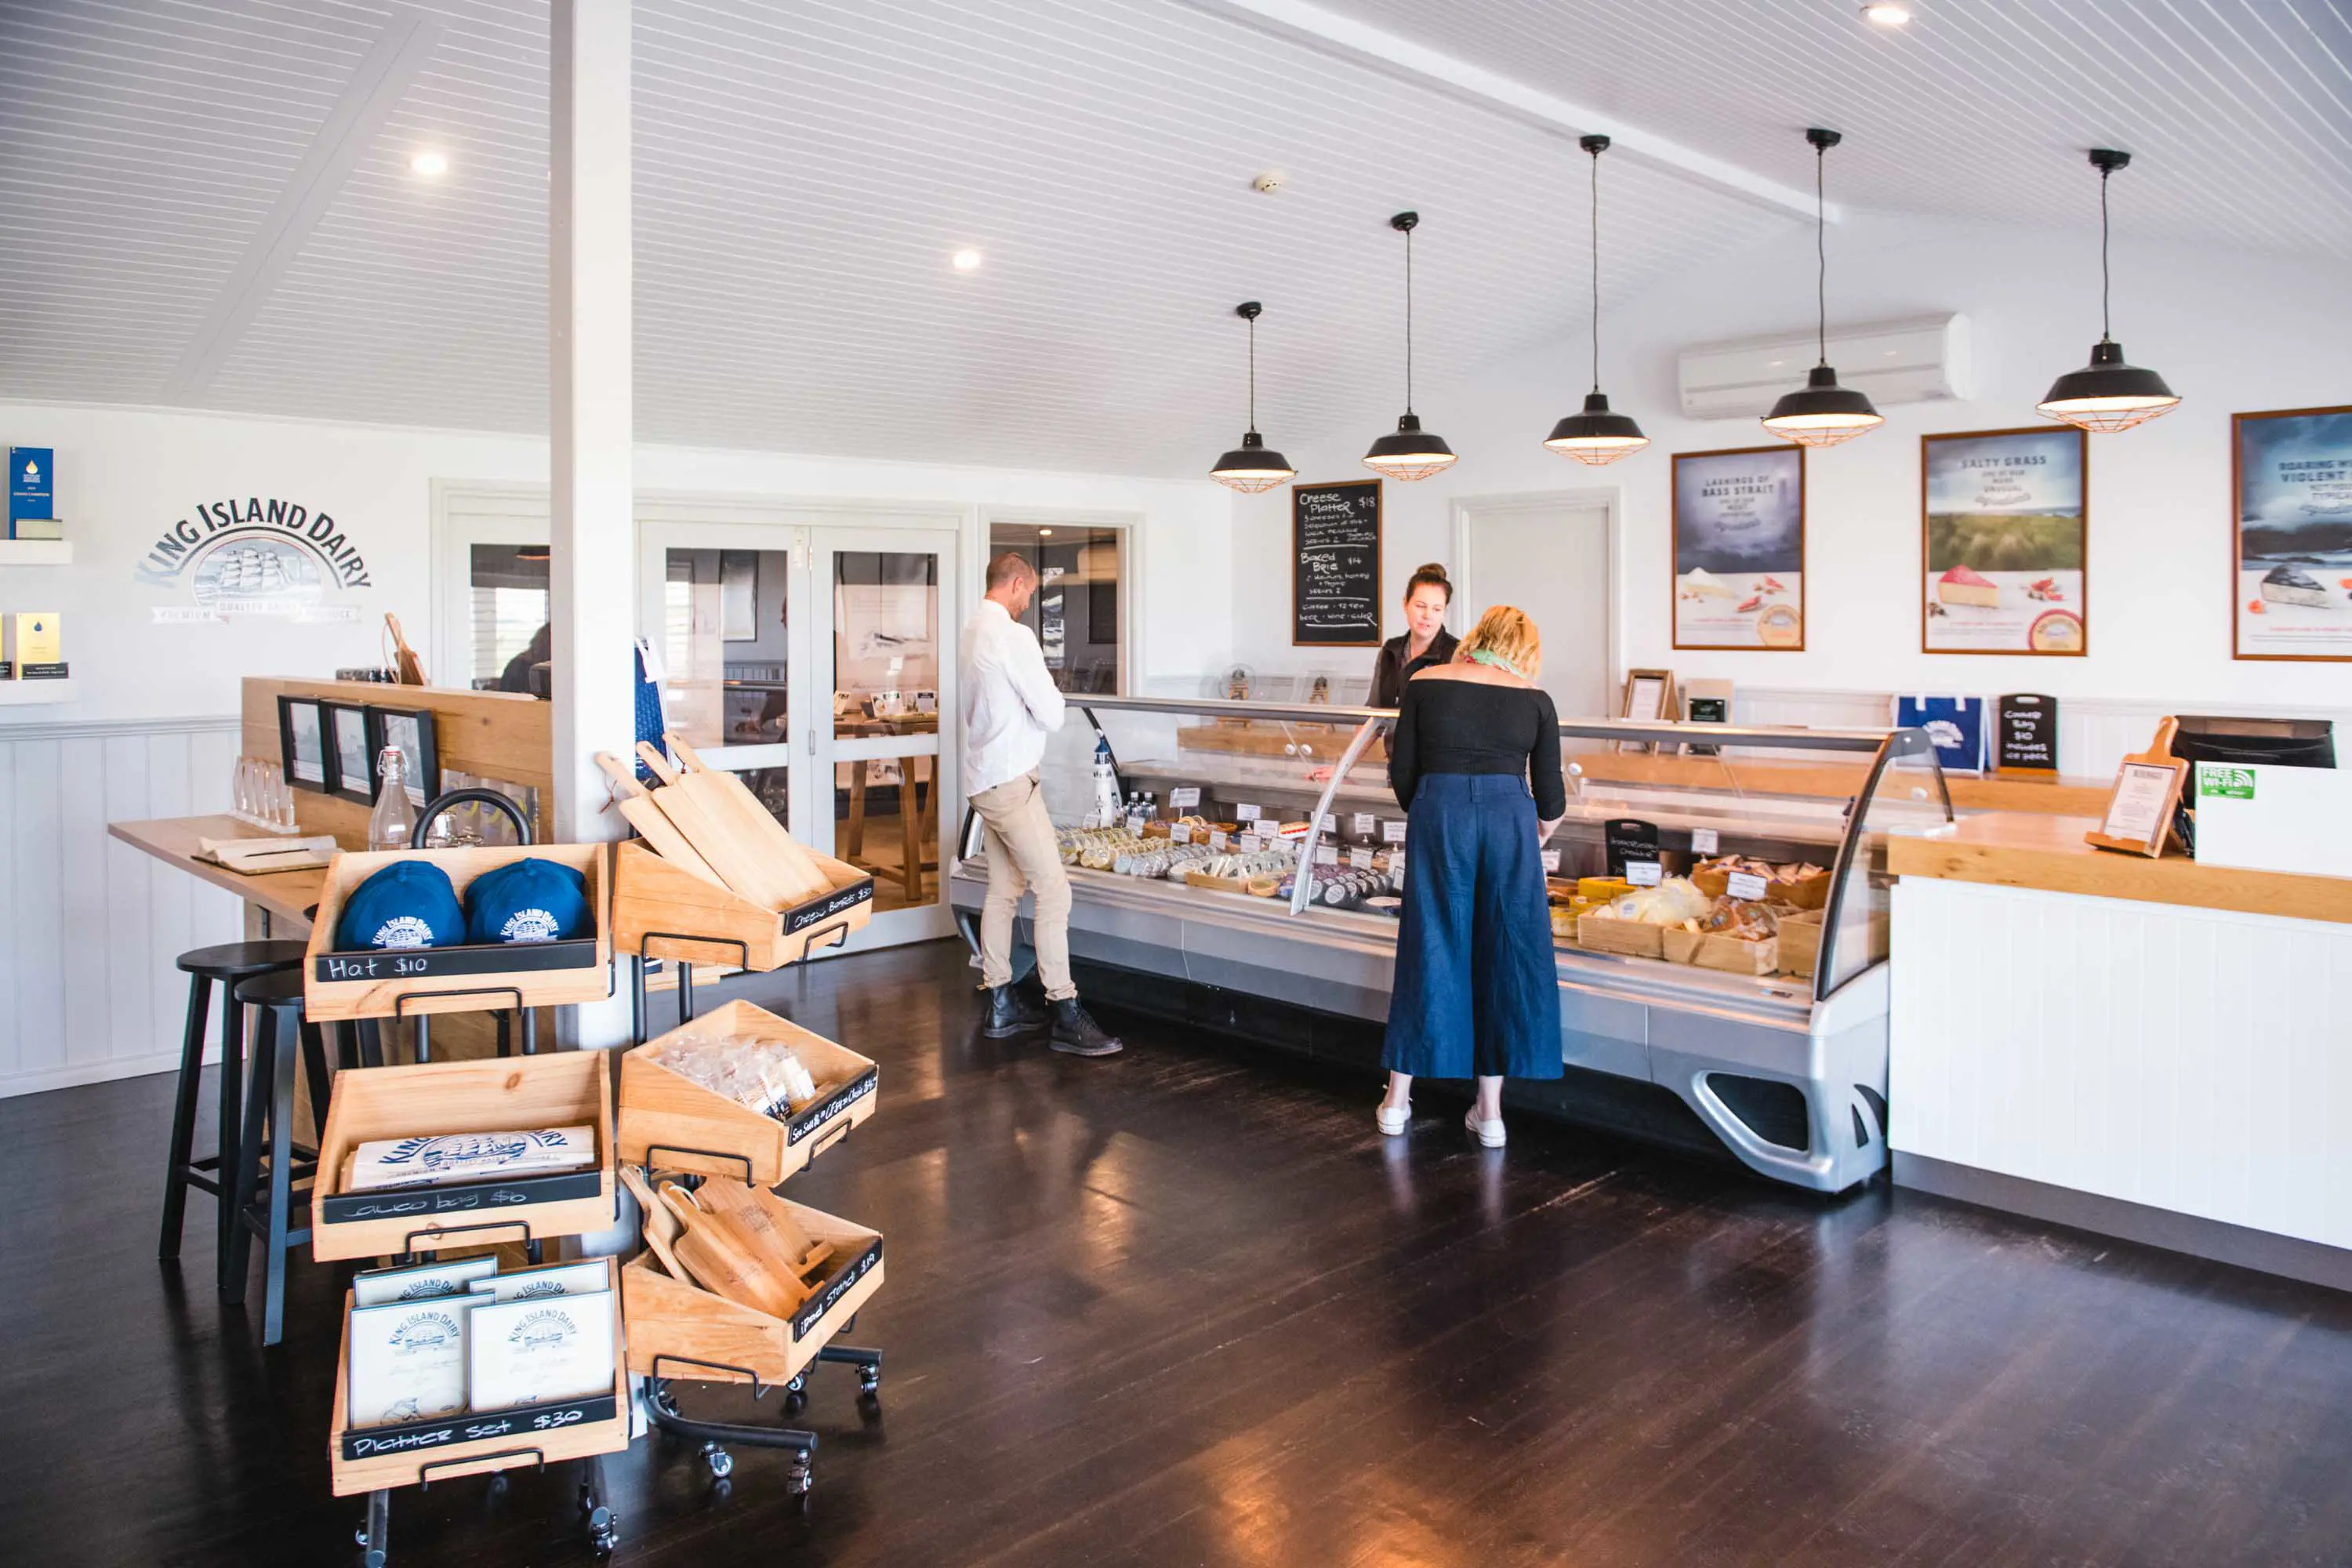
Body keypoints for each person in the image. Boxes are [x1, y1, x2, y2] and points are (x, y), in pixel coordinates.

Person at [1375, 604, 1565, 1146]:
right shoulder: (1535, 699)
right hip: (1510, 820)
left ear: (1476, 636)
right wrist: (1537, 833)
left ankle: (1396, 1102)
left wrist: (1435, 811)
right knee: (1503, 951)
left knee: (1430, 943)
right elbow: (1551, 798)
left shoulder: (1423, 682)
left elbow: (1403, 771)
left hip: (1439, 812)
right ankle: (1491, 1114)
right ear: (1524, 650)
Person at [960, 550, 1123, 1057]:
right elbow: (1053, 713)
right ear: (1013, 584)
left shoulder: (969, 633)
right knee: (1054, 889)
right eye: (1028, 592)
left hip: (983, 781)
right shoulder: (1013, 637)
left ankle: (1001, 999)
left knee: (1005, 888)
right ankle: (1065, 1009)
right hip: (1013, 783)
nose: (1029, 602)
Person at [1370, 564, 1458, 709]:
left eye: (1437, 609)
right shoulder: (1390, 650)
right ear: (1406, 604)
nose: (1427, 615)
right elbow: (1373, 707)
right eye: (1420, 606)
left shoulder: (1458, 653)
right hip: (1389, 732)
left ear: (1444, 612)